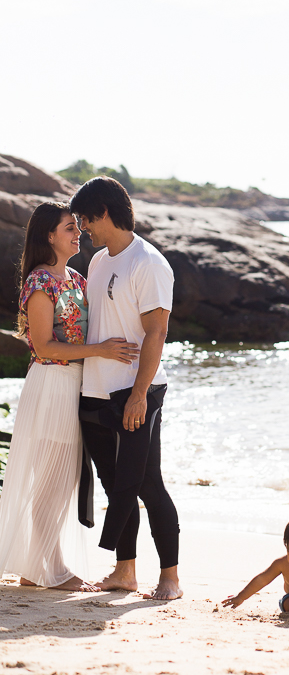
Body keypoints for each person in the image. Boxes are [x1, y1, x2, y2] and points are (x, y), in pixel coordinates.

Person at [0, 202, 139, 591]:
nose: (77, 233)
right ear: (49, 236)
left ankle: (35, 568)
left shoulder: (77, 279)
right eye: (68, 228)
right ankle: (52, 568)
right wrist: (101, 351)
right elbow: (43, 346)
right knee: (51, 481)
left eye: (78, 227)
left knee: (61, 482)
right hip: (50, 385)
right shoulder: (40, 281)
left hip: (74, 386)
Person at [70, 177, 181, 601]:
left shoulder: (148, 262)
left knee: (147, 483)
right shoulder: (98, 261)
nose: (82, 228)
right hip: (96, 389)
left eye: (84, 219)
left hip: (137, 391)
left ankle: (170, 577)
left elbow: (157, 332)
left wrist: (139, 393)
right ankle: (125, 571)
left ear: (104, 212)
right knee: (114, 481)